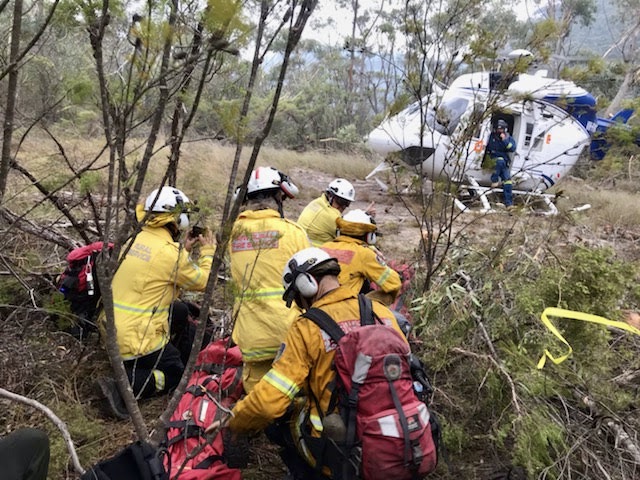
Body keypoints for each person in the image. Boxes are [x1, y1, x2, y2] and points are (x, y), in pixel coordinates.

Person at [207, 247, 407, 479]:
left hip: (342, 448)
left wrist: (235, 419)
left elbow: (269, 402)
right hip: (395, 435)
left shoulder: (308, 328)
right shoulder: (381, 312)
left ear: (306, 284)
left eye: (298, 300)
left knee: (277, 424)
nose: (302, 307)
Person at [97, 186, 215, 419]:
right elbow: (203, 282)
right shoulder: (170, 254)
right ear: (177, 218)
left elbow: (158, 269)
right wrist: (209, 252)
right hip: (135, 339)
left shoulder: (133, 238)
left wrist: (184, 250)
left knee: (179, 310)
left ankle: (155, 355)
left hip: (110, 328)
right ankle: (123, 386)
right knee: (176, 373)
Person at [229, 166, 310, 393]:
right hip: (287, 334)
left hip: (249, 336)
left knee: (257, 393)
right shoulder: (294, 232)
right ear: (278, 197)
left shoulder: (232, 233)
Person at [321, 209, 401, 306]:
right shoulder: (364, 254)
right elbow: (394, 283)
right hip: (343, 309)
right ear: (369, 237)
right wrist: (367, 302)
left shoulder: (323, 247)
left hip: (317, 308)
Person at [297, 178, 356, 247]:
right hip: (315, 253)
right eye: (341, 202)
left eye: (347, 203)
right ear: (330, 196)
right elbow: (354, 235)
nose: (343, 206)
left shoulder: (317, 202)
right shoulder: (332, 217)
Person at [488, 119, 516, 207]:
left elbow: (512, 148)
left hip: (504, 162)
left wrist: (504, 140)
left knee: (508, 181)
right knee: (499, 161)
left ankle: (509, 203)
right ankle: (494, 180)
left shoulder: (508, 138)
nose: (499, 131)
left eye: (501, 129)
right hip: (493, 159)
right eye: (498, 129)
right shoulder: (491, 137)